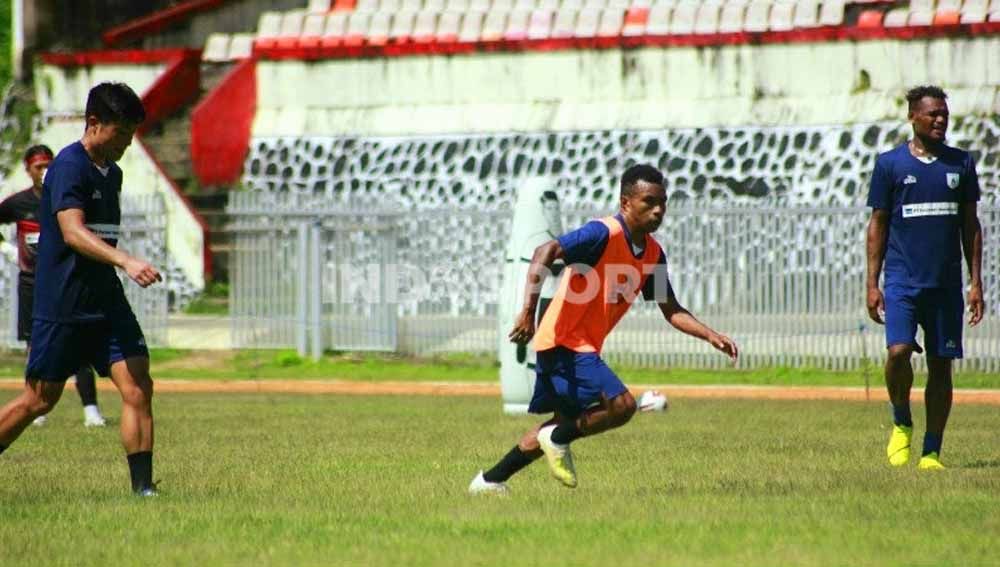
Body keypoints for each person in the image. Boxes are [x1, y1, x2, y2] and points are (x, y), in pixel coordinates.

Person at [470, 164, 739, 493]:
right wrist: (527, 311)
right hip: (562, 343)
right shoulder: (602, 233)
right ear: (626, 202)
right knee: (621, 406)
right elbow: (546, 250)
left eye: (663, 202)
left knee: (558, 425)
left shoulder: (652, 254)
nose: (658, 210)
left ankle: (489, 481)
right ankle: (555, 439)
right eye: (649, 201)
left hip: (578, 346)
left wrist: (711, 335)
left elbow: (671, 309)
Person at [0, 83, 162, 496]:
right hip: (64, 306)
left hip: (105, 303)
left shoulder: (114, 172)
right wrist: (126, 260)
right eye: (122, 132)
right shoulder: (69, 167)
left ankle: (144, 491)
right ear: (94, 123)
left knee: (138, 384)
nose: (127, 142)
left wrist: (117, 266)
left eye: (131, 133)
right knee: (39, 401)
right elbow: (73, 233)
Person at [865, 85, 984, 471]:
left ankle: (931, 452)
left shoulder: (961, 164)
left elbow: (971, 225)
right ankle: (901, 420)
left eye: (944, 115)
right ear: (913, 117)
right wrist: (872, 282)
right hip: (901, 280)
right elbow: (878, 224)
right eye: (933, 114)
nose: (940, 120)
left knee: (940, 366)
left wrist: (975, 281)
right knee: (898, 352)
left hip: (945, 284)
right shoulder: (890, 165)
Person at [0, 145, 107, 428]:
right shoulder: (18, 203)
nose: (44, 171)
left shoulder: (64, 195)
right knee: (35, 347)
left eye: (49, 164)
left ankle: (91, 409)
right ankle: (36, 407)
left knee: (78, 344)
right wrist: (6, 248)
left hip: (65, 283)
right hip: (31, 284)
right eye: (38, 166)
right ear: (28, 169)